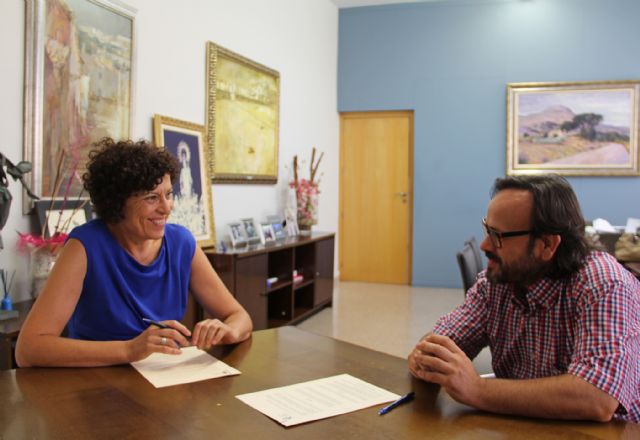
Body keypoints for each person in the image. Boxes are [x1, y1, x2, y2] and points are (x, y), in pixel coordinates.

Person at [408, 174, 640, 423]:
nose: (485, 245)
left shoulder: (603, 284)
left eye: (497, 236)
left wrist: (477, 389)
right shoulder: (498, 282)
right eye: (487, 229)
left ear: (547, 245)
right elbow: (436, 348)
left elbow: (597, 399)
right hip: (524, 425)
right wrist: (429, 355)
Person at [16, 138, 252, 367]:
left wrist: (228, 330)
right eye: (152, 198)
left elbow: (239, 316)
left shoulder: (182, 243)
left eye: (168, 194)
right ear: (117, 202)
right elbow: (28, 349)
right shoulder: (85, 246)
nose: (166, 208)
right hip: (96, 380)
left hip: (162, 377)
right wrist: (130, 350)